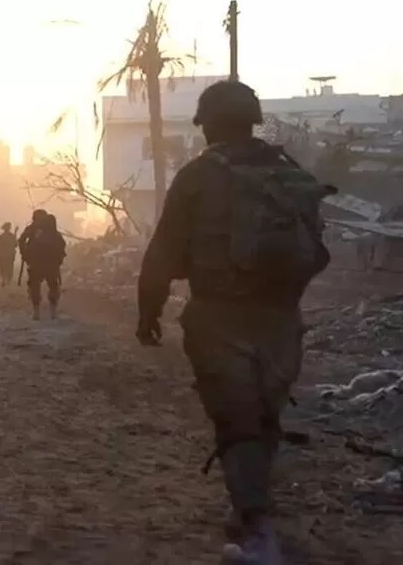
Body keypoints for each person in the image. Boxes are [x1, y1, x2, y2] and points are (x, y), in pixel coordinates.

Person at [136, 80, 334, 565]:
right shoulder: (288, 171)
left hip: (219, 317)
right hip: (282, 318)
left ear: (208, 125)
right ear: (253, 120)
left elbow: (163, 253)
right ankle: (250, 508)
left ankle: (256, 529)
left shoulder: (199, 176)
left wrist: (149, 312)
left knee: (236, 418)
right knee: (264, 416)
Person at [22, 213, 66, 320]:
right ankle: (53, 311)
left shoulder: (33, 230)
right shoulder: (54, 233)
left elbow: (21, 240)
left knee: (35, 286)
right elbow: (62, 246)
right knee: (53, 286)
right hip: (51, 264)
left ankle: (36, 311)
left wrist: (25, 254)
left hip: (36, 264)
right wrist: (59, 259)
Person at [0, 222, 18, 287]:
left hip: (5, 255)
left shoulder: (2, 236)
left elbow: (15, 244)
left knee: (4, 268)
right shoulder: (7, 236)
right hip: (7, 255)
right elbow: (15, 244)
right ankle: (6, 280)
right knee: (7, 268)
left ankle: (5, 280)